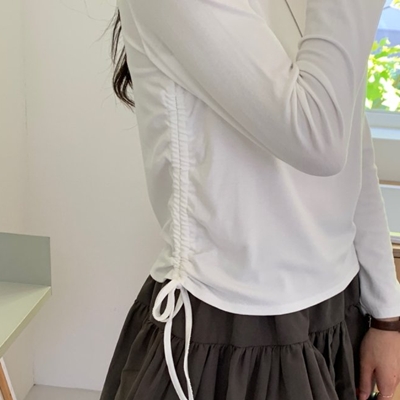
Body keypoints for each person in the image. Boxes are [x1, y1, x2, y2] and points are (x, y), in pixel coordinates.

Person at [99, 0, 400, 399]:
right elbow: (318, 139)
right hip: (228, 331)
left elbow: (352, 148)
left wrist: (386, 315)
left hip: (336, 313)